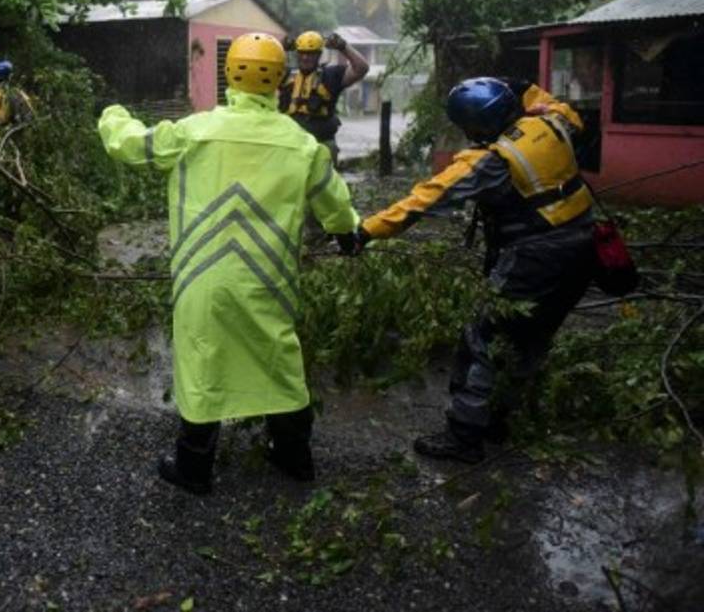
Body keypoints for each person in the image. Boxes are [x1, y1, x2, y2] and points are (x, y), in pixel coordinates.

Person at [98, 32, 360, 494]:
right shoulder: (300, 145)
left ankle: (194, 469)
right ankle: (295, 459)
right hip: (269, 280)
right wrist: (349, 234)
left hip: (204, 279)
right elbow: (336, 207)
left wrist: (113, 114)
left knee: (203, 359)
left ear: (229, 75)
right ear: (279, 79)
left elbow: (131, 145)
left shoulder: (195, 131)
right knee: (279, 360)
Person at [356, 76, 595, 464]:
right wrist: (525, 89)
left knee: (482, 336)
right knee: (531, 337)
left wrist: (365, 231)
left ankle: (464, 435)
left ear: (474, 126)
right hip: (584, 250)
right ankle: (499, 417)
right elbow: (555, 104)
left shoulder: (490, 161)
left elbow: (422, 201)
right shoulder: (554, 121)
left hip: (534, 257)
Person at [278, 31, 369, 163]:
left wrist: (342, 46)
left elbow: (362, 68)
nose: (305, 57)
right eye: (302, 53)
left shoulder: (331, 75)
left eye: (310, 54)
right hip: (291, 144)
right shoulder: (285, 75)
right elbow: (261, 70)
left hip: (321, 144)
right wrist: (280, 47)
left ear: (319, 55)